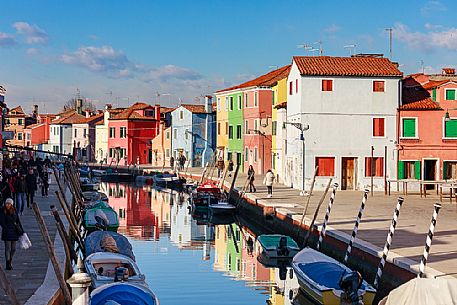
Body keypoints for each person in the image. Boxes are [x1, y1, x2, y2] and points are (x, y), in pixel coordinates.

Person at [0, 198, 23, 270]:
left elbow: (18, 220)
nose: (7, 205)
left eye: (9, 203)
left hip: (14, 231)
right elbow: (2, 222)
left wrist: (22, 230)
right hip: (7, 231)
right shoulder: (2, 211)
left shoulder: (14, 210)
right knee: (8, 248)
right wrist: (6, 228)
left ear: (11, 204)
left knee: (13, 249)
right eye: (6, 203)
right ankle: (8, 264)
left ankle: (10, 260)